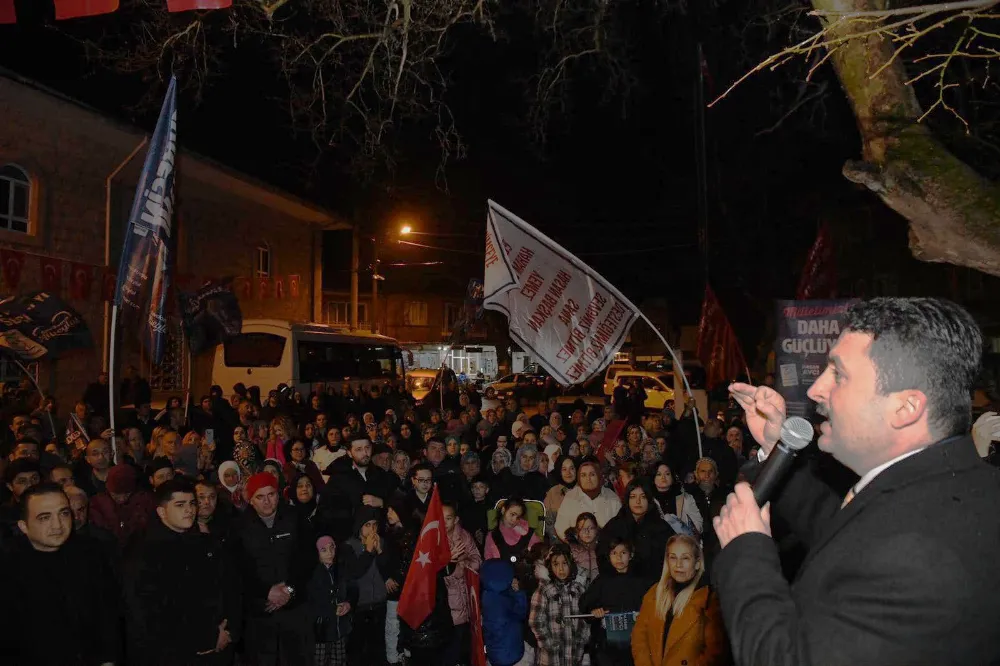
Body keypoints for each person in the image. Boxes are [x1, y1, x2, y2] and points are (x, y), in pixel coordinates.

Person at [713, 298, 1000, 665]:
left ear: (905, 408)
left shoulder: (918, 557)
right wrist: (776, 447)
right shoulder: (947, 486)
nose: (816, 389)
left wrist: (746, 552)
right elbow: (844, 531)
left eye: (838, 374)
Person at [124, 478, 242, 665]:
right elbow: (150, 612)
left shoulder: (206, 542)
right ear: (162, 511)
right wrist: (208, 636)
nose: (189, 509)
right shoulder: (145, 552)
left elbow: (230, 587)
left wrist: (230, 632)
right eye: (180, 505)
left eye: (192, 503)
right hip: (177, 654)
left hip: (220, 650)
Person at [0, 483, 121, 666]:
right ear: (24, 526)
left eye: (64, 513)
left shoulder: (91, 552)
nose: (57, 525)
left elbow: (108, 615)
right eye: (44, 517)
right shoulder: (8, 566)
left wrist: (108, 660)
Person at [232, 471, 315, 665]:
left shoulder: (295, 518)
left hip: (295, 609)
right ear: (251, 500)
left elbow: (307, 559)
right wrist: (266, 592)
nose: (267, 501)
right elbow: (238, 569)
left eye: (271, 494)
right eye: (260, 497)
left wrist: (290, 589)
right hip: (260, 614)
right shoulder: (239, 527)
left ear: (279, 495)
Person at [630, 535, 729, 666]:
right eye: (673, 557)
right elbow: (639, 638)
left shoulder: (708, 599)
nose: (678, 564)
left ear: (697, 563)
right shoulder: (654, 593)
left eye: (685, 558)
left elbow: (714, 652)